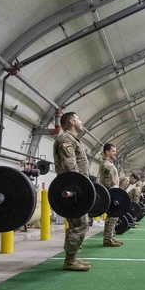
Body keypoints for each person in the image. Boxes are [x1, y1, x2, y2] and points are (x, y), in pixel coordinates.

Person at [53, 112, 92, 271]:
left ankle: (72, 257)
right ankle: (69, 261)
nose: (81, 121)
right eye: (79, 118)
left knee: (81, 223)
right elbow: (70, 165)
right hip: (72, 189)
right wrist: (77, 187)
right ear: (72, 121)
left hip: (77, 188)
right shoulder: (66, 139)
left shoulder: (73, 140)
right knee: (78, 223)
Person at [98, 143, 123, 247]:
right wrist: (114, 193)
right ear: (107, 152)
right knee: (112, 216)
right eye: (113, 151)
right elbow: (108, 181)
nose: (115, 153)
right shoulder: (107, 164)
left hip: (112, 192)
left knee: (114, 216)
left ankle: (111, 237)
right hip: (110, 192)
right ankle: (108, 239)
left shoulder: (109, 163)